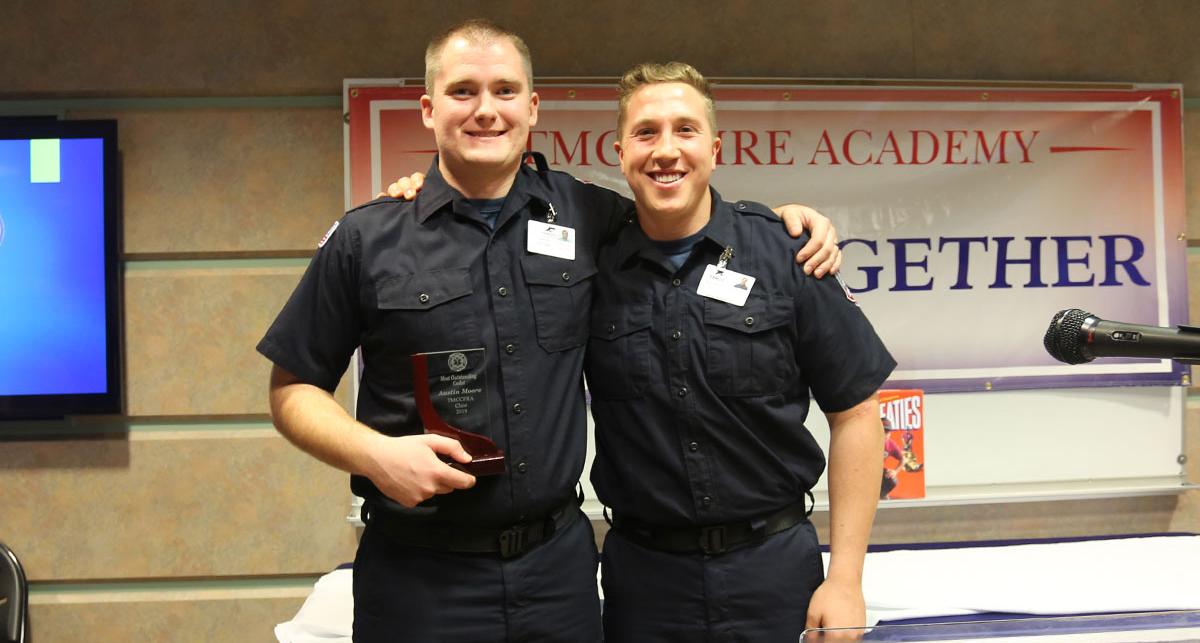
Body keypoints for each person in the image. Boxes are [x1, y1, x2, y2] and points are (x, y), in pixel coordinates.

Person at [259, 20, 844, 643]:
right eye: (463, 92)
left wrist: (781, 223)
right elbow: (291, 389)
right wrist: (374, 455)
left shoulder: (590, 214)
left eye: (505, 91)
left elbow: (685, 211)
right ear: (429, 110)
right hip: (417, 576)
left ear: (532, 107)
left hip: (557, 578)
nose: (486, 110)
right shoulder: (367, 238)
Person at [584, 62, 896, 641]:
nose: (667, 150)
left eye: (686, 130)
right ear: (621, 151)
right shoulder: (590, 267)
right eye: (647, 132)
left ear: (716, 148)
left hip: (774, 573)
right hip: (644, 585)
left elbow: (856, 414)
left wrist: (846, 578)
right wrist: (419, 187)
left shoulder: (786, 253)